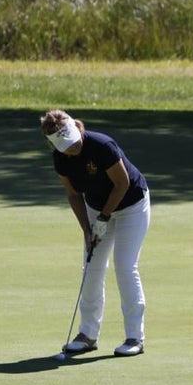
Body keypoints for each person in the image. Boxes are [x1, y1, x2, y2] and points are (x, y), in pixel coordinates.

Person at [41, 110, 150, 357]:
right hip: (95, 208)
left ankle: (135, 337)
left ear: (76, 129)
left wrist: (103, 218)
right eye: (66, 146)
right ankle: (87, 334)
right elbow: (73, 195)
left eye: (74, 141)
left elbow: (121, 184)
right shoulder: (60, 159)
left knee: (125, 267)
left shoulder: (102, 145)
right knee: (92, 267)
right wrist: (87, 230)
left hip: (132, 206)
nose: (73, 148)